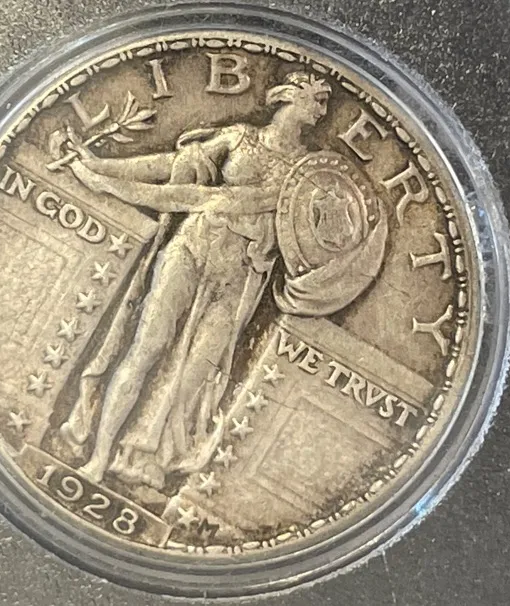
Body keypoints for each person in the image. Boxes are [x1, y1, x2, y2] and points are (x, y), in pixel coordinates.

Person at [60, 72, 337, 488]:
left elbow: (318, 237)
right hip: (192, 248)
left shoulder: (308, 174)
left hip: (240, 278)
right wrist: (99, 168)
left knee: (193, 375)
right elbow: (173, 169)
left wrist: (102, 182)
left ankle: (143, 462)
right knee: (146, 349)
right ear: (287, 96)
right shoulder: (240, 137)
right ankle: (98, 458)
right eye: (316, 99)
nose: (322, 110)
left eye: (325, 103)